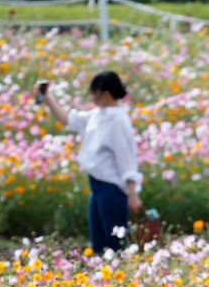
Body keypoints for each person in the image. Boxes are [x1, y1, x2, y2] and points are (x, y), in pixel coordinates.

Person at [39, 71, 143, 255]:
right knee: (99, 241)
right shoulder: (98, 114)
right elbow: (69, 119)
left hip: (113, 188)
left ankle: (121, 278)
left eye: (95, 93)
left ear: (106, 94)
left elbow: (127, 158)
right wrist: (47, 99)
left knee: (115, 242)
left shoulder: (118, 120)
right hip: (97, 185)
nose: (93, 98)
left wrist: (132, 193)